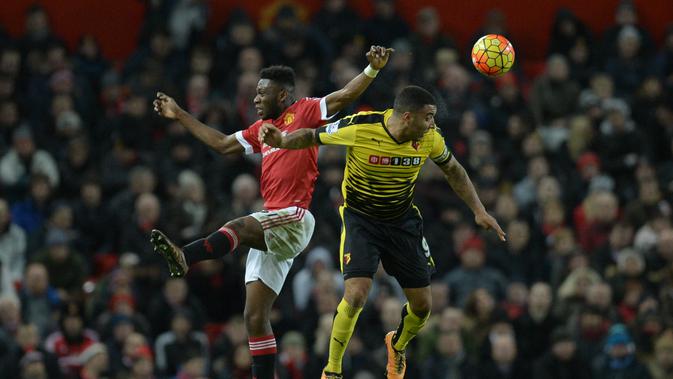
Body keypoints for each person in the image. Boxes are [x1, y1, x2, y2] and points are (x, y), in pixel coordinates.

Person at [150, 45, 393, 379]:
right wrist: (179, 114)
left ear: (283, 94)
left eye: (262, 93)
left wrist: (372, 70)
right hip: (272, 228)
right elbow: (222, 144)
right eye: (255, 93)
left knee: (239, 224)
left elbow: (341, 97)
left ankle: (185, 256)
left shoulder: (305, 112)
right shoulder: (260, 129)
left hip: (293, 217)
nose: (255, 99)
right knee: (254, 317)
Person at [260, 85, 505, 379]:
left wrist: (479, 210)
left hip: (402, 223)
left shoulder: (430, 138)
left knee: (423, 307)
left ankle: (397, 345)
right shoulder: (362, 126)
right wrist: (284, 140)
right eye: (427, 117)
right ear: (406, 117)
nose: (432, 124)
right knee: (356, 295)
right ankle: (333, 368)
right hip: (361, 221)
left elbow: (454, 170)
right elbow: (313, 136)